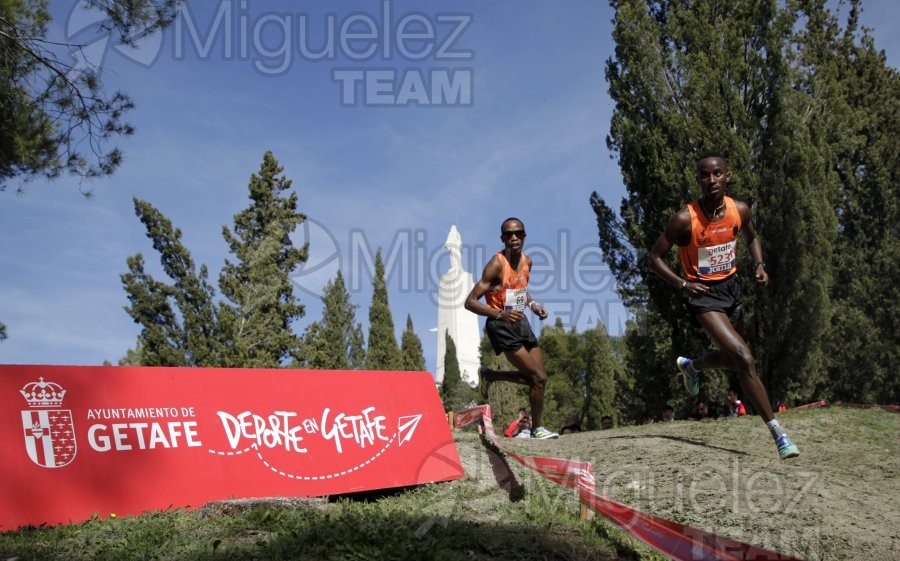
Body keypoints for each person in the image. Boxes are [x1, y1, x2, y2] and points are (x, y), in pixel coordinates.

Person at [648, 152, 800, 459]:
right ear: (699, 180)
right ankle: (779, 434)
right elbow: (653, 258)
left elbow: (752, 237)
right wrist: (682, 284)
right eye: (705, 175)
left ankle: (692, 366)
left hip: (731, 289)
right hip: (702, 295)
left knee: (734, 361)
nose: (711, 180)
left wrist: (759, 264)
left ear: (727, 176)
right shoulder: (684, 218)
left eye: (717, 174)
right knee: (745, 357)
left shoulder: (739, 209)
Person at [465, 217, 559, 440]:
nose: (514, 238)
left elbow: (520, 288)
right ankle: (537, 428)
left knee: (538, 378)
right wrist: (500, 313)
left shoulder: (528, 262)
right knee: (538, 378)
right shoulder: (496, 264)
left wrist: (534, 305)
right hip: (501, 324)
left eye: (518, 233)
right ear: (502, 238)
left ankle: (491, 375)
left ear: (525, 236)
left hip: (521, 321)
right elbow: (470, 301)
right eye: (508, 234)